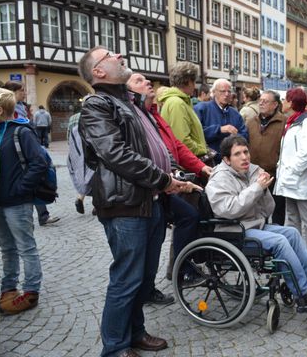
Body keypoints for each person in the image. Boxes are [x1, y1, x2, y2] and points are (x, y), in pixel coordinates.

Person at [78, 46, 195, 357]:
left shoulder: (127, 102)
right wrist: (163, 179)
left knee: (143, 277)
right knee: (126, 278)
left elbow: (152, 145)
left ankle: (136, 333)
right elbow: (116, 155)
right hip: (125, 204)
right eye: (109, 56)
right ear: (98, 71)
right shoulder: (97, 105)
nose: (119, 56)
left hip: (150, 200)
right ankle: (115, 346)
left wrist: (168, 175)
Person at [206, 135, 307, 310]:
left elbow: (267, 211)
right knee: (279, 242)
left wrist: (264, 191)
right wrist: (256, 188)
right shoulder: (219, 179)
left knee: (292, 233)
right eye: (237, 154)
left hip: (253, 225)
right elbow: (229, 210)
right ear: (227, 160)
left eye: (245, 152)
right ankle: (302, 294)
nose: (244, 157)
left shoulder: (252, 171)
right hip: (233, 231)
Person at [127, 73, 210, 303]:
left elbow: (173, 147)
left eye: (147, 81)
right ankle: (170, 274)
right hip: (151, 187)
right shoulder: (137, 116)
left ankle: (176, 270)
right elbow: (142, 156)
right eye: (139, 81)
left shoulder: (153, 115)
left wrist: (200, 168)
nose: (148, 83)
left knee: (181, 221)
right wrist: (171, 179)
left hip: (165, 182)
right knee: (167, 228)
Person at [0, 88, 46, 315]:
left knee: (26, 247)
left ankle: (31, 291)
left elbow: (39, 163)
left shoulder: (21, 132)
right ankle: (8, 288)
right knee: (7, 248)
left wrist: (20, 189)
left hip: (17, 201)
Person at [275, 88, 307, 264]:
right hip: (289, 180)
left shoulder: (306, 123)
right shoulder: (292, 122)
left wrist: (292, 170)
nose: (283, 102)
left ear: (292, 102)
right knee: (292, 217)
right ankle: (294, 251)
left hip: (299, 179)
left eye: (285, 99)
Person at [2, 81, 59, 226]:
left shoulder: (22, 108)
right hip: (18, 156)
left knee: (34, 179)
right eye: (21, 90)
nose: (25, 93)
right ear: (12, 92)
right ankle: (41, 215)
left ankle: (43, 215)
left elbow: (39, 162)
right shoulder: (11, 110)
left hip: (28, 148)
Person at [247, 90, 286, 225]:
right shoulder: (252, 121)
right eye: (260, 100)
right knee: (257, 211)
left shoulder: (284, 122)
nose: (261, 103)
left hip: (275, 175)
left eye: (265, 101)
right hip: (254, 174)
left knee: (277, 210)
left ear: (275, 104)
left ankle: (278, 239)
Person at [158, 62, 209, 159]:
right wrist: (201, 150)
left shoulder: (180, 101)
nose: (194, 86)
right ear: (188, 81)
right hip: (189, 162)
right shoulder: (177, 103)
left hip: (190, 160)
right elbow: (182, 140)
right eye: (194, 82)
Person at [194, 78, 248, 163]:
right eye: (222, 91)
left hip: (231, 163)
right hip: (208, 163)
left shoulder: (235, 113)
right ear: (214, 92)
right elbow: (196, 135)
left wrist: (234, 139)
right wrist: (219, 129)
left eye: (229, 91)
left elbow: (244, 135)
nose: (226, 94)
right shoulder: (201, 109)